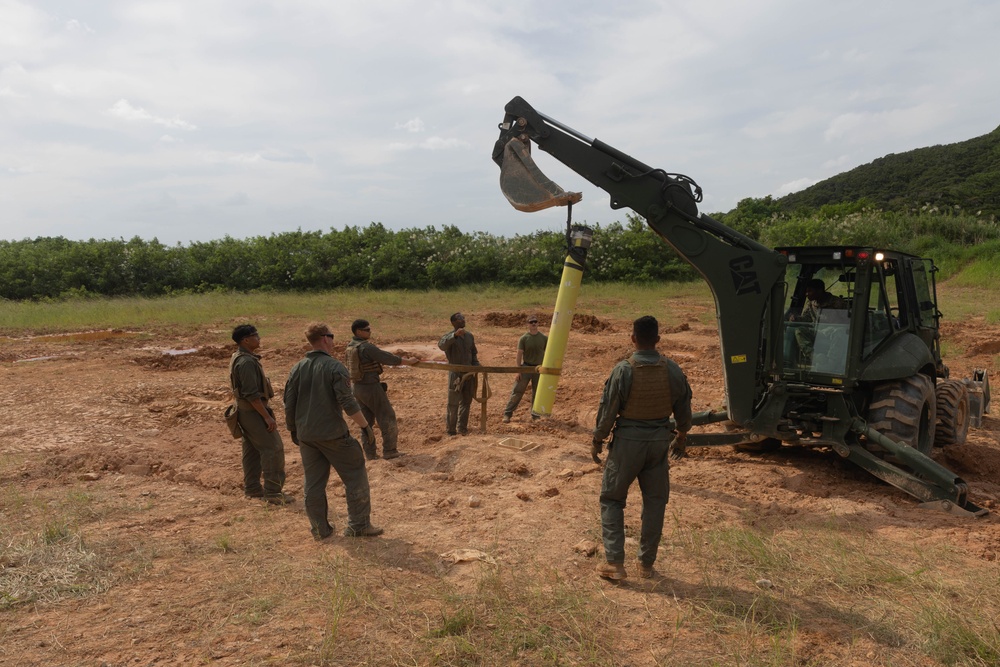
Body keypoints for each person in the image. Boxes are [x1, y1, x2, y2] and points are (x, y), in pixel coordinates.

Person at [591, 315, 692, 581]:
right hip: (659, 442)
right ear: (658, 339)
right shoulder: (672, 369)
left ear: (633, 339)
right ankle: (646, 565)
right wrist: (681, 436)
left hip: (627, 444)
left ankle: (614, 562)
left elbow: (608, 409)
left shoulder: (623, 370)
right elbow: (684, 411)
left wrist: (598, 438)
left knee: (612, 499)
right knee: (655, 502)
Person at [284, 323, 383, 540]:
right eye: (332, 335)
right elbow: (347, 402)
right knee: (355, 474)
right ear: (325, 339)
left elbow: (288, 402)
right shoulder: (334, 367)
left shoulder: (297, 367)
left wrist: (293, 429)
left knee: (313, 483)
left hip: (306, 435)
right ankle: (358, 525)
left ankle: (320, 529)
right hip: (333, 434)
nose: (333, 339)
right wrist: (366, 427)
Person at [229, 324, 292, 505]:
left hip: (245, 412)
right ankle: (273, 492)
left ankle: (253, 488)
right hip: (253, 412)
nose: (259, 338)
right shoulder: (246, 362)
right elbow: (252, 395)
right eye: (255, 336)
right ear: (246, 340)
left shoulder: (241, 357)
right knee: (273, 448)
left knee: (252, 451)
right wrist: (266, 416)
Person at [346, 319, 419, 460]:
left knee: (366, 423)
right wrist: (408, 362)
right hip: (370, 387)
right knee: (387, 416)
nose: (370, 331)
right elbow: (387, 358)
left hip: (357, 388)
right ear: (359, 331)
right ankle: (390, 450)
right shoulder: (366, 347)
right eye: (367, 329)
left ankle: (370, 454)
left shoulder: (350, 347)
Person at [438, 312, 480, 436]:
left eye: (463, 318)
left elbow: (473, 353)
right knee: (453, 403)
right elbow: (441, 346)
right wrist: (454, 336)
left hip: (469, 374)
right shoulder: (448, 337)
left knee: (466, 402)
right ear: (453, 322)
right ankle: (451, 430)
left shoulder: (469, 336)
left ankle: (462, 428)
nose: (463, 320)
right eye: (460, 318)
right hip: (455, 375)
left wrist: (476, 366)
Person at [502, 315, 548, 423]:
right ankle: (507, 414)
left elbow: (548, 354)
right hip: (526, 368)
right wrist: (519, 371)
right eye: (531, 322)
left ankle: (535, 415)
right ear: (527, 324)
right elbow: (519, 355)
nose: (533, 324)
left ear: (538, 323)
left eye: (535, 322)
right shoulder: (524, 338)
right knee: (517, 391)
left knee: (537, 393)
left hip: (538, 369)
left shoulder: (544, 338)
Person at [790, 278, 848, 363]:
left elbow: (848, 321)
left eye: (810, 291)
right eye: (806, 291)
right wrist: (796, 319)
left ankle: (831, 362)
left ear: (819, 291)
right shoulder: (811, 304)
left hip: (835, 333)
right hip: (818, 332)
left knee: (840, 331)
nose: (807, 294)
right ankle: (814, 357)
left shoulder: (838, 303)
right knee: (799, 330)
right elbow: (806, 319)